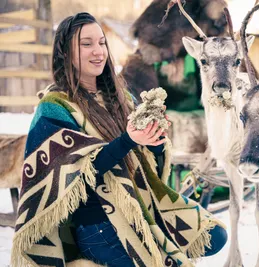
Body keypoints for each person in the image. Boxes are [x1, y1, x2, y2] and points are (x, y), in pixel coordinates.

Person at [11, 12, 226, 267]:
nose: (98, 51)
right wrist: (128, 140)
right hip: (98, 223)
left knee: (216, 235)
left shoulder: (120, 97)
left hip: (141, 204)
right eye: (86, 44)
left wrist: (154, 142)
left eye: (102, 43)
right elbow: (77, 172)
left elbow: (148, 163)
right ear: (65, 53)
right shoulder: (55, 106)